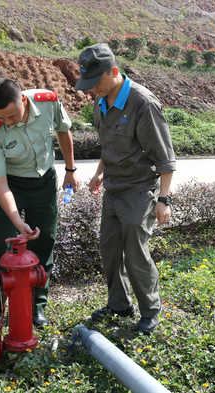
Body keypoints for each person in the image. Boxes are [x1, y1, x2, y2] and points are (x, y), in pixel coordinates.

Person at [75, 44, 176, 334]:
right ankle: (119, 304)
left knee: (135, 253)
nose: (91, 90)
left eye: (96, 82)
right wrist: (98, 174)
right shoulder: (102, 100)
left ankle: (149, 310)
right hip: (113, 189)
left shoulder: (142, 103)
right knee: (109, 249)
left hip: (139, 190)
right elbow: (110, 147)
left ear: (114, 72)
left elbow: (164, 157)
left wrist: (163, 199)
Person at [0, 78, 78, 339]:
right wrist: (16, 220)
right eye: (1, 118)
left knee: (45, 242)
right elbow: (0, 185)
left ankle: (38, 305)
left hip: (44, 179)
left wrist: (70, 170)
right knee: (2, 245)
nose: (7, 123)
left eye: (12, 116)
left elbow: (63, 131)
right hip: (12, 183)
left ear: (23, 100)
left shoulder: (48, 102)